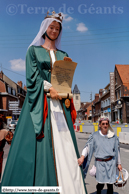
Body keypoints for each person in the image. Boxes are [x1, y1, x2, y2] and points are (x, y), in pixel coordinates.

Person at [1, 12, 87, 194]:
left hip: (60, 106)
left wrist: (66, 76)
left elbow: (65, 81)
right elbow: (32, 79)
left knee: (66, 145)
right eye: (52, 27)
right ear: (45, 28)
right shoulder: (33, 51)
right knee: (39, 145)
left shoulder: (64, 54)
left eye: (58, 28)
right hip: (42, 103)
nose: (54, 31)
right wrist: (49, 90)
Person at [78, 117, 122, 194]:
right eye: (103, 124)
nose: (105, 125)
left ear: (108, 125)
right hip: (100, 164)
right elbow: (88, 147)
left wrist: (119, 163)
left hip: (111, 163)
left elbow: (117, 151)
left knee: (110, 184)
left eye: (106, 124)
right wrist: (82, 157)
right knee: (100, 184)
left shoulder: (114, 137)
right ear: (100, 125)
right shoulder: (95, 136)